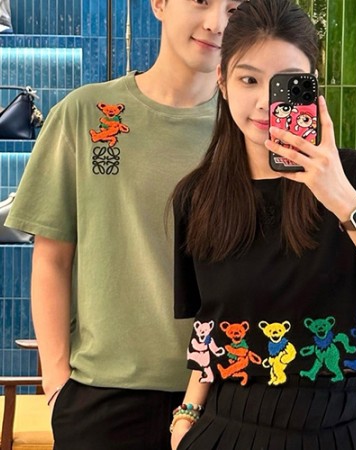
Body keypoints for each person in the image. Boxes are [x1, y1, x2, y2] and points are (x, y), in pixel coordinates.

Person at [5, 0, 241, 449]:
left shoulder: (248, 129)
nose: (216, 23)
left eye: (235, 9)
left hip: (224, 397)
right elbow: (52, 258)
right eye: (202, 2)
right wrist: (56, 384)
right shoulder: (85, 112)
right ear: (160, 4)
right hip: (101, 396)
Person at [170, 0, 356, 448]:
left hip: (349, 423)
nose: (265, 102)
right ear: (222, 82)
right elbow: (211, 323)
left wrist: (341, 198)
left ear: (312, 87)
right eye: (249, 79)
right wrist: (186, 416)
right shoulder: (198, 197)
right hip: (233, 424)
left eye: (286, 83)